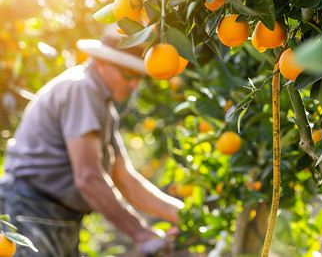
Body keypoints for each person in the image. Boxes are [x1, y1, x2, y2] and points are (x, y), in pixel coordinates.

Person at [0, 24, 184, 256]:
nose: (134, 84)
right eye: (128, 74)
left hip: (57, 216)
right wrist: (141, 233)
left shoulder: (103, 106)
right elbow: (88, 178)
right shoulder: (81, 89)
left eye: (137, 76)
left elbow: (124, 178)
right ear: (102, 63)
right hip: (31, 209)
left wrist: (181, 213)